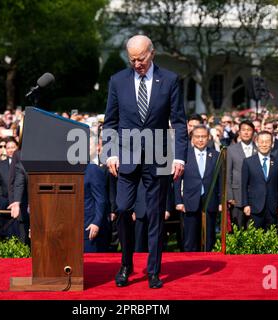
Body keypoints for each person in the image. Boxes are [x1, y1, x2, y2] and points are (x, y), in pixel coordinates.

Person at [103, 35, 188, 289]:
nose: (137, 63)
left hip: (159, 155)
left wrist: (179, 157)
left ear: (152, 53)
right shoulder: (117, 81)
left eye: (141, 58)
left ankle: (153, 270)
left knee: (154, 215)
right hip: (126, 156)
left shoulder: (170, 80)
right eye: (132, 59)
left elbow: (180, 122)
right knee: (122, 208)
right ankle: (126, 264)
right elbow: (110, 121)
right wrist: (110, 152)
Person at [174, 125, 220, 252]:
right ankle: (190, 261)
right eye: (197, 137)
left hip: (210, 200)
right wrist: (178, 201)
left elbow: (220, 180)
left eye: (203, 137)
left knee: (209, 235)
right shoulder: (184, 155)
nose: (200, 140)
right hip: (190, 201)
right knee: (190, 236)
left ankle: (209, 259)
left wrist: (221, 202)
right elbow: (177, 179)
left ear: (209, 138)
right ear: (192, 139)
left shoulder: (216, 155)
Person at [241, 131, 278, 230]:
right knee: (255, 235)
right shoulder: (248, 162)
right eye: (261, 142)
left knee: (272, 235)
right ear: (257, 143)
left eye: (267, 142)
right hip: (255, 206)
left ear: (272, 144)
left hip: (272, 206)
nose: (264, 145)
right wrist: (246, 204)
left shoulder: (277, 161)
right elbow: (244, 186)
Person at [226, 120, 257, 229]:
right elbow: (227, 174)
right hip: (237, 195)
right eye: (243, 130)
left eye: (249, 130)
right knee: (237, 227)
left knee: (253, 228)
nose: (246, 133)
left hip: (254, 195)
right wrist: (229, 196)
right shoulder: (231, 150)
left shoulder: (258, 149)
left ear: (253, 132)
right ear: (239, 132)